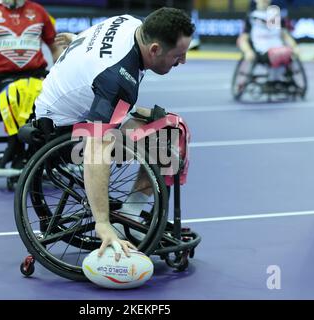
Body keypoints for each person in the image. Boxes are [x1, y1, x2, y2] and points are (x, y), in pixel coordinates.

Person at [34, 7, 195, 259]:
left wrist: (77, 40)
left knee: (172, 129)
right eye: (179, 55)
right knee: (165, 146)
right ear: (154, 49)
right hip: (62, 129)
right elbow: (96, 147)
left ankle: (132, 214)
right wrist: (102, 222)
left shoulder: (130, 22)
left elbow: (99, 45)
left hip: (70, 102)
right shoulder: (118, 79)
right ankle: (129, 218)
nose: (183, 61)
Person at [0, 0, 72, 168]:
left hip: (37, 76)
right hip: (3, 79)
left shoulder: (38, 11)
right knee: (19, 95)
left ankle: (47, 148)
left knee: (55, 98)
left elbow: (55, 48)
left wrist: (60, 74)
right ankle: (17, 148)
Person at [238, 0, 299, 85]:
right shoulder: (251, 17)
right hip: (262, 50)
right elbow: (243, 39)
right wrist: (247, 51)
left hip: (278, 47)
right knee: (278, 54)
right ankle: (274, 79)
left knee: (287, 53)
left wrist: (295, 47)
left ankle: (276, 78)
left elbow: (285, 36)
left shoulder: (275, 14)